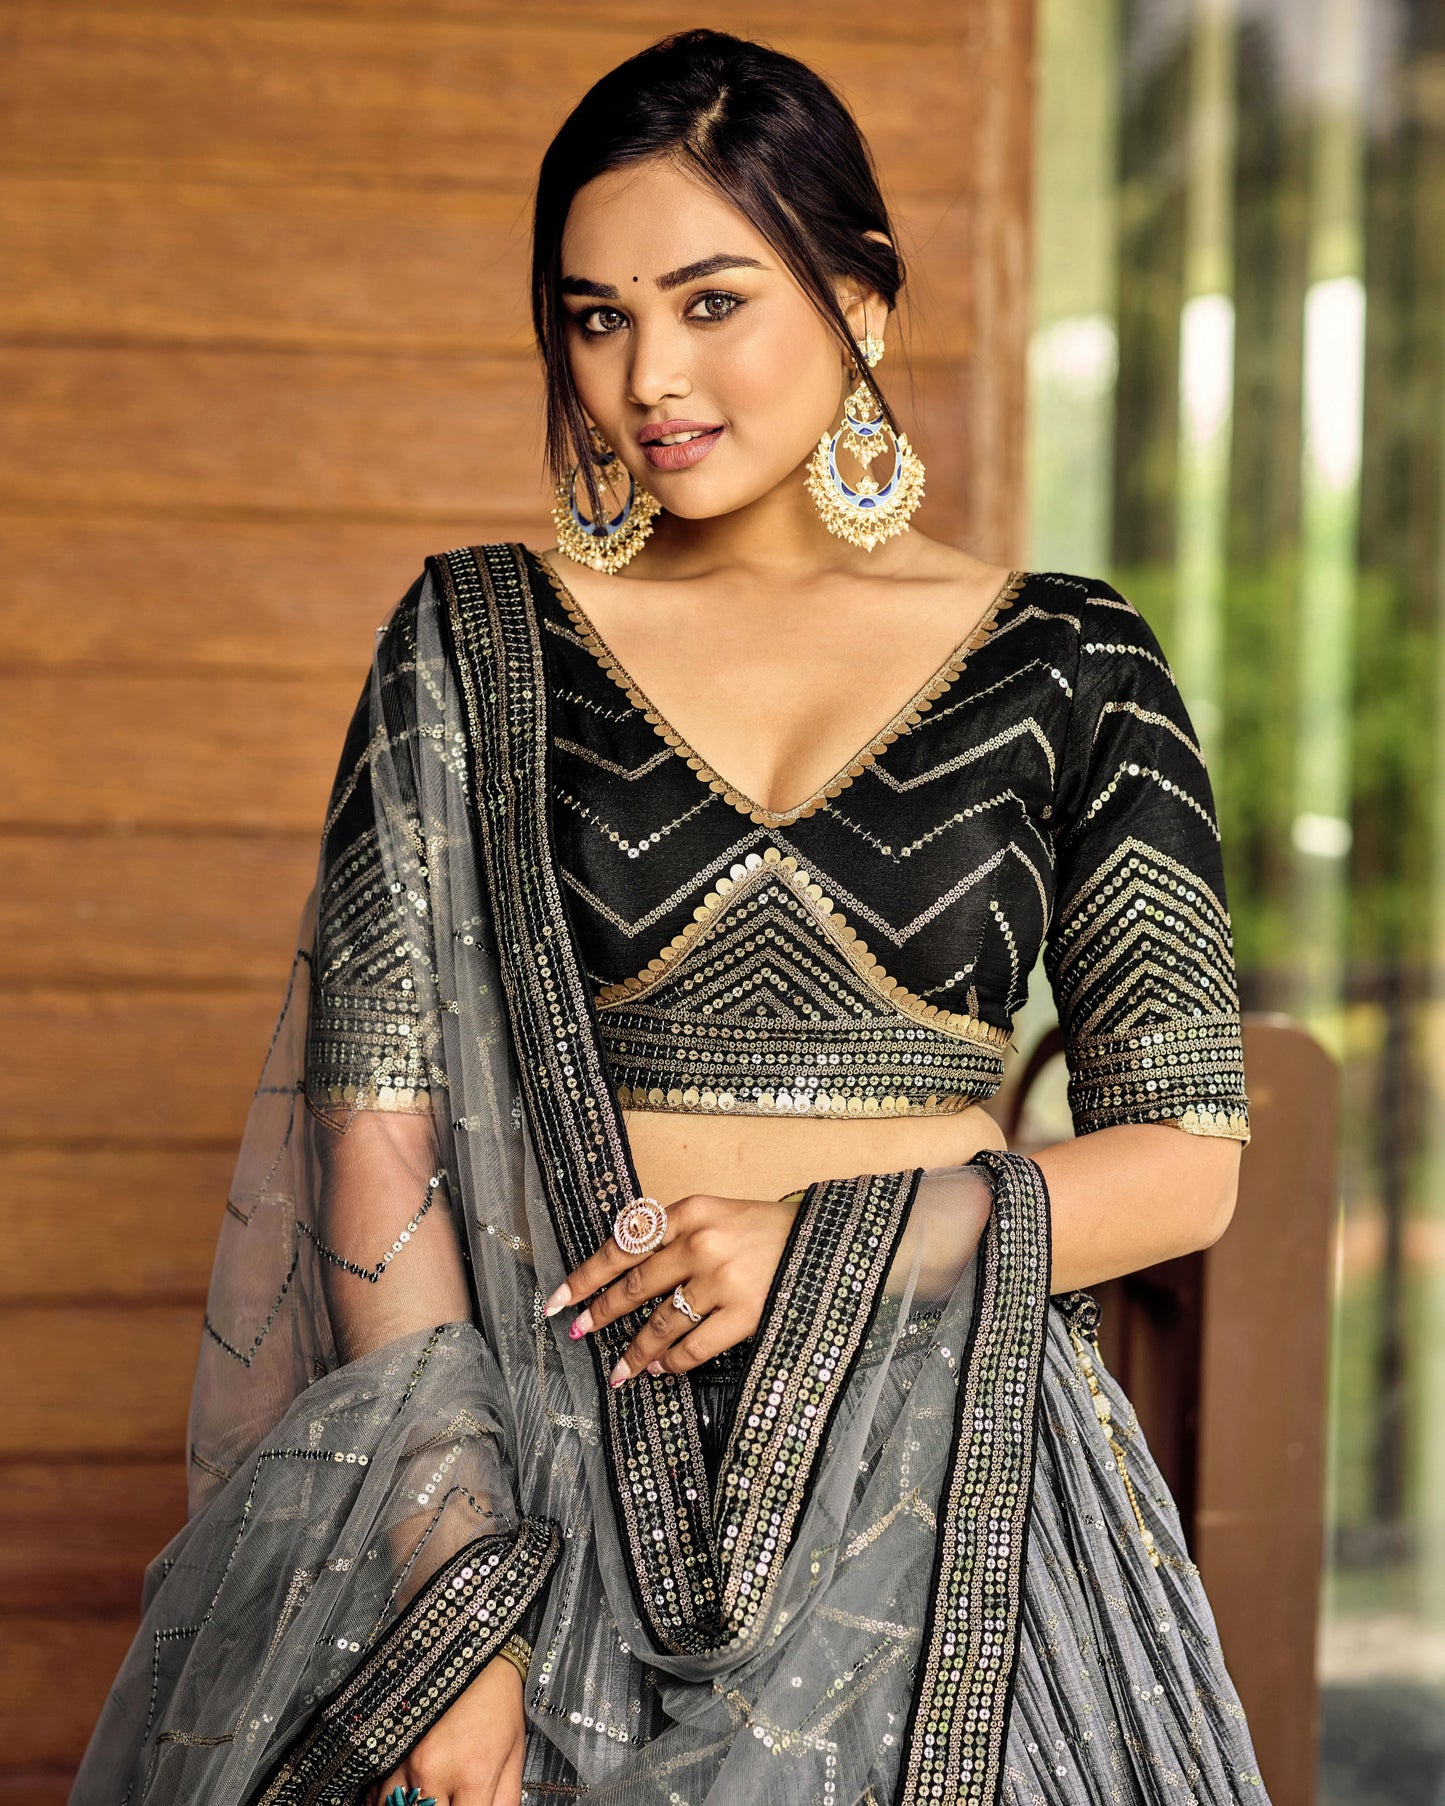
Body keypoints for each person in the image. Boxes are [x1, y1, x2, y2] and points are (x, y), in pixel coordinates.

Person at [72, 28, 1267, 1806]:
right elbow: (376, 1146)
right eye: (595, 316)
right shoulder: (471, 648)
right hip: (541, 1475)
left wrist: (829, 1242)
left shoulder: (1072, 664)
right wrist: (448, 1589)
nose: (648, 376)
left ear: (861, 304)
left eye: (712, 303)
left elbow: (1187, 1161)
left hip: (959, 1493)